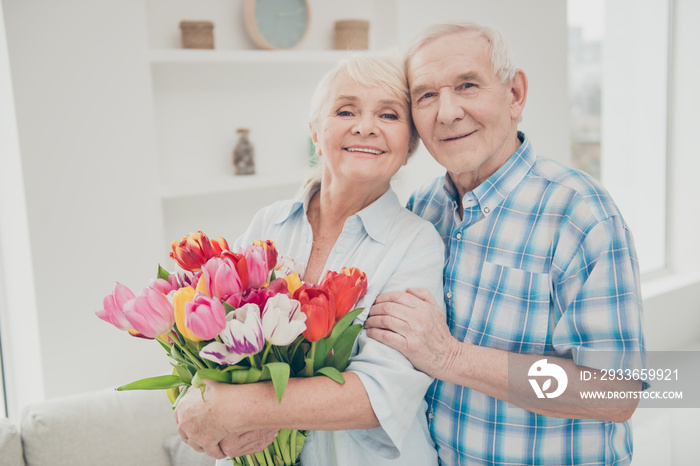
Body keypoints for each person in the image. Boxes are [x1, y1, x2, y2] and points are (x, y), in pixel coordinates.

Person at [365, 22, 645, 465]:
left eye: (467, 85)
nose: (448, 112)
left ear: (514, 94)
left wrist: (451, 357)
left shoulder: (581, 212)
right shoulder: (421, 210)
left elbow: (616, 391)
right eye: (426, 95)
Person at [174, 54, 445, 465]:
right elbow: (216, 337)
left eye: (388, 114)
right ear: (316, 134)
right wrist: (200, 400)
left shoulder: (416, 243)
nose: (366, 126)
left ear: (408, 146)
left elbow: (378, 395)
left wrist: (233, 408)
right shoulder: (269, 223)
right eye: (345, 110)